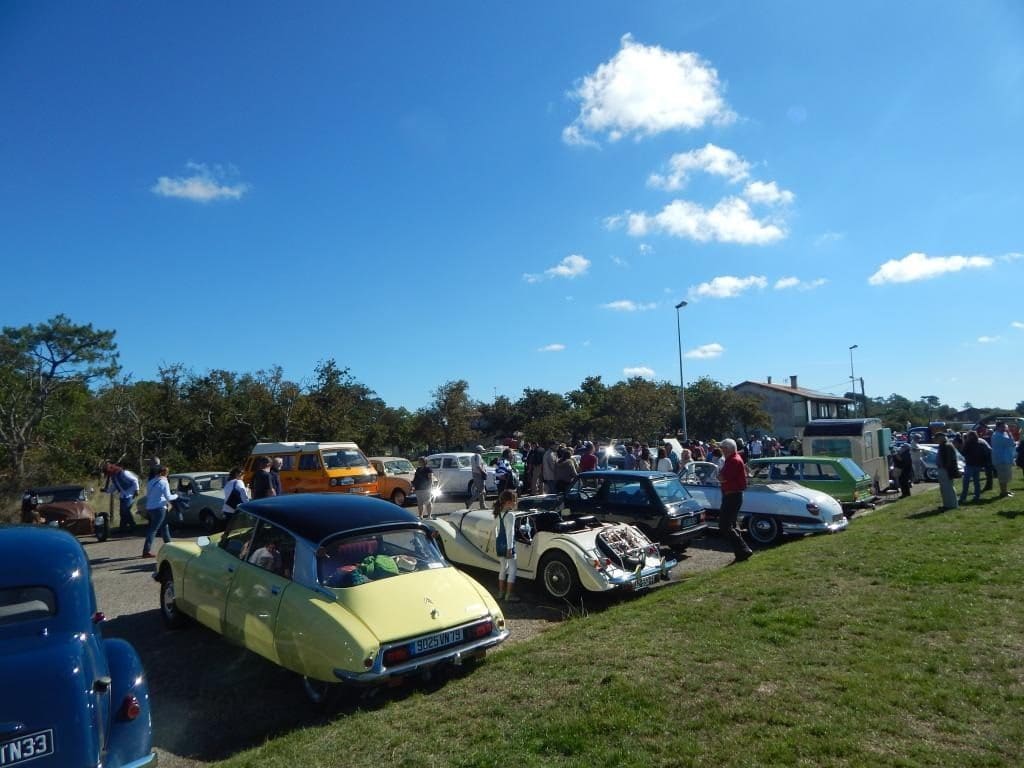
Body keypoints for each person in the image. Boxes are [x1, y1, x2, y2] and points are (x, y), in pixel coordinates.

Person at [719, 439, 754, 563]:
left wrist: (720, 475)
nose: (721, 450)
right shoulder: (734, 458)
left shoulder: (733, 460)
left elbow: (722, 477)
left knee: (724, 525)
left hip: (732, 496)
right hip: (733, 495)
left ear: (728, 449)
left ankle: (743, 549)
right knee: (732, 524)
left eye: (723, 448)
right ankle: (740, 553)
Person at [142, 466, 177, 558]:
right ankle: (146, 551)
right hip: (159, 508)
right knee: (154, 529)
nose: (167, 474)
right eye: (167, 473)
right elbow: (169, 497)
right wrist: (177, 495)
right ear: (164, 473)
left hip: (150, 507)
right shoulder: (164, 482)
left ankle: (170, 546)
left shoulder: (151, 482)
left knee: (165, 527)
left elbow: (149, 495)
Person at [493, 489, 521, 602]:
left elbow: (495, 530)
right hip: (508, 546)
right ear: (508, 502)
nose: (515, 503)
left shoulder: (497, 514)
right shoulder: (510, 516)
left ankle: (501, 593)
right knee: (513, 569)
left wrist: (497, 541)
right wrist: (509, 548)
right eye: (514, 501)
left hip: (499, 544)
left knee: (502, 568)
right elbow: (510, 533)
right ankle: (509, 595)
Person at [101, 460, 140, 534]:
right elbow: (115, 486)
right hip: (123, 495)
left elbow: (135, 480)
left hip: (130, 494)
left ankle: (133, 525)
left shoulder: (124, 473)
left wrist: (137, 490)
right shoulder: (114, 476)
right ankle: (123, 528)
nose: (108, 475)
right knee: (122, 512)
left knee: (125, 511)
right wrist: (106, 490)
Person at [959, 431, 987, 504]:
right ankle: (977, 496)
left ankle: (963, 497)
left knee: (966, 482)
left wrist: (964, 442)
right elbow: (984, 454)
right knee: (976, 482)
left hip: (970, 464)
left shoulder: (968, 443)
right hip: (978, 464)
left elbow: (963, 452)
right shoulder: (980, 443)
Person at [989, 421, 1016, 498]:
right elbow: (1012, 443)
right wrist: (1010, 434)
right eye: (1002, 427)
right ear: (997, 427)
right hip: (1001, 459)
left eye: (1005, 426)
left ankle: (1005, 491)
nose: (1004, 428)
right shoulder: (997, 435)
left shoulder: (1003, 434)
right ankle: (1003, 492)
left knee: (1006, 476)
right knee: (1003, 477)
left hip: (1005, 458)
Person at [934, 433, 960, 511]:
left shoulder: (947, 446)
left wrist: (946, 468)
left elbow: (949, 460)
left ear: (941, 438)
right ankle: (947, 505)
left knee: (948, 488)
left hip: (945, 470)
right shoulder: (944, 445)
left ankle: (952, 505)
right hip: (943, 469)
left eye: (937, 438)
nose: (936, 440)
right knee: (944, 489)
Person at [466, 445, 488, 510]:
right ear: (479, 450)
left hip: (476, 474)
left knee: (482, 491)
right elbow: (478, 466)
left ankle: (482, 505)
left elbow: (473, 467)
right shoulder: (478, 456)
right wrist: (483, 472)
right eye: (482, 451)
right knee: (481, 491)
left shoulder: (473, 457)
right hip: (479, 475)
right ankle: (469, 502)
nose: (482, 452)